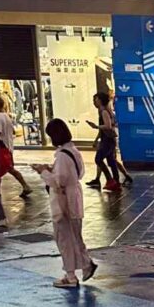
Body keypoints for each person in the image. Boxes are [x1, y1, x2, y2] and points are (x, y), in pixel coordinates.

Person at [31, 118, 96, 289]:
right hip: (74, 196)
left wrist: (43, 171)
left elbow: (58, 181)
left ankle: (71, 275)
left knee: (64, 238)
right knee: (75, 236)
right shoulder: (74, 151)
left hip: (63, 200)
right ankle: (85, 264)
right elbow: (77, 173)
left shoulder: (61, 155)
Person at [0, 96, 31, 197]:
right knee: (10, 169)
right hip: (8, 147)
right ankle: (25, 186)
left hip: (1, 148)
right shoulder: (6, 116)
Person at [85, 92, 120, 192]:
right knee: (111, 161)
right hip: (108, 139)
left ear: (100, 100)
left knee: (98, 159)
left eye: (95, 100)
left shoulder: (104, 112)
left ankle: (110, 180)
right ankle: (115, 182)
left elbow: (108, 126)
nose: (94, 102)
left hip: (107, 140)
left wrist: (96, 126)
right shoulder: (105, 111)